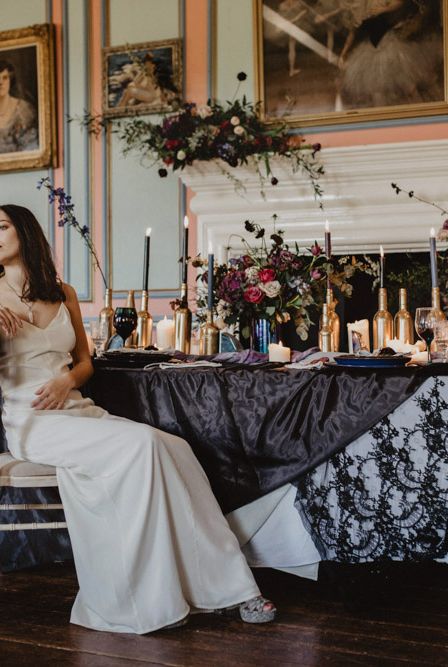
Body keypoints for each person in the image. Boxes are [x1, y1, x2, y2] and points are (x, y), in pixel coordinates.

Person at [0, 204, 275, 634]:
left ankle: (227, 587)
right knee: (143, 445)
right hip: (31, 420)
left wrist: (65, 382)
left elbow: (85, 364)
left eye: (1, 227)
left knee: (175, 447)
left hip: (75, 409)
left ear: (26, 234)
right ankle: (149, 596)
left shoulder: (63, 292)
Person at [0, 60, 39, 154]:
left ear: (11, 80)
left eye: (5, 78)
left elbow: (31, 148)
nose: (0, 82)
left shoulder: (24, 109)